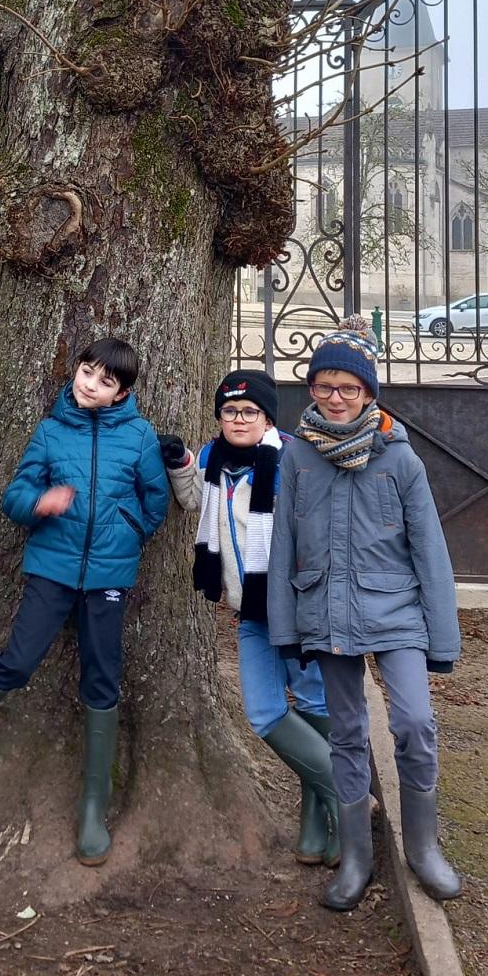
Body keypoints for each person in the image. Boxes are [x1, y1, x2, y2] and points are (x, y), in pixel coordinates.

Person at [0, 337, 168, 866]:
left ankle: (93, 805)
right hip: (51, 567)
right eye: (87, 371)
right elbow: (14, 496)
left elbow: (155, 499)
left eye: (105, 381)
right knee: (17, 661)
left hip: (109, 574)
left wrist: (129, 528)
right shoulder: (51, 432)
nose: (90, 384)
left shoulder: (140, 436)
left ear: (121, 394)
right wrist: (41, 503)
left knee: (101, 676)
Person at [267, 318, 463, 910]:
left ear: (369, 394)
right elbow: (283, 545)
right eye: (324, 386)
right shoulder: (297, 457)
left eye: (348, 388)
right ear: (312, 390)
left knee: (414, 724)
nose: (335, 397)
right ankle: (356, 856)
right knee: (347, 733)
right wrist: (286, 629)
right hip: (325, 612)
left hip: (396, 611)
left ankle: (423, 848)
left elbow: (430, 548)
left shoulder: (401, 460)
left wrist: (442, 637)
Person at [164, 369, 344, 868]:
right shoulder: (212, 460)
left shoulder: (291, 457)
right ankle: (343, 798)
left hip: (298, 608)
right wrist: (180, 464)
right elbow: (195, 503)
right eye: (229, 411)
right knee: (264, 712)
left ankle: (320, 820)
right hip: (249, 610)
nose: (238, 420)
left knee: (311, 700)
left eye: (249, 412)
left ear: (267, 417)